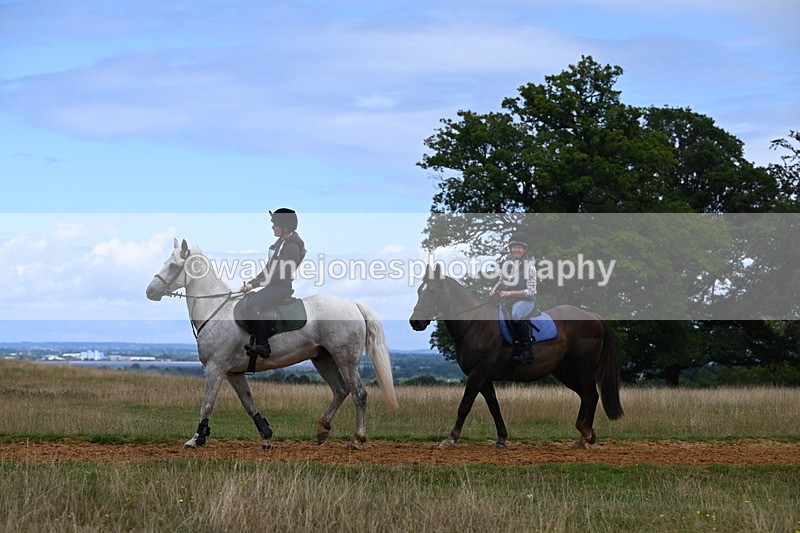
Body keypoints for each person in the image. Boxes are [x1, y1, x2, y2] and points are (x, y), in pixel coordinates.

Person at [242, 208, 306, 357]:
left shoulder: (291, 247)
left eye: (275, 224)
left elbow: (280, 274)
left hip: (281, 287)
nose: (272, 227)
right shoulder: (279, 244)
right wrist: (251, 283)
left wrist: (256, 285)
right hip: (273, 285)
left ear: (285, 227)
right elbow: (268, 269)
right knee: (248, 300)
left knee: (253, 305)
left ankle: (263, 345)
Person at [489, 231, 538, 364]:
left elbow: (531, 291)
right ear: (511, 249)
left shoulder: (530, 268)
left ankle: (527, 352)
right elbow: (502, 280)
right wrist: (494, 288)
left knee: (516, 315)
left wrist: (509, 293)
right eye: (514, 247)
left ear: (524, 250)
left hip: (526, 301)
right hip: (509, 301)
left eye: (519, 247)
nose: (516, 250)